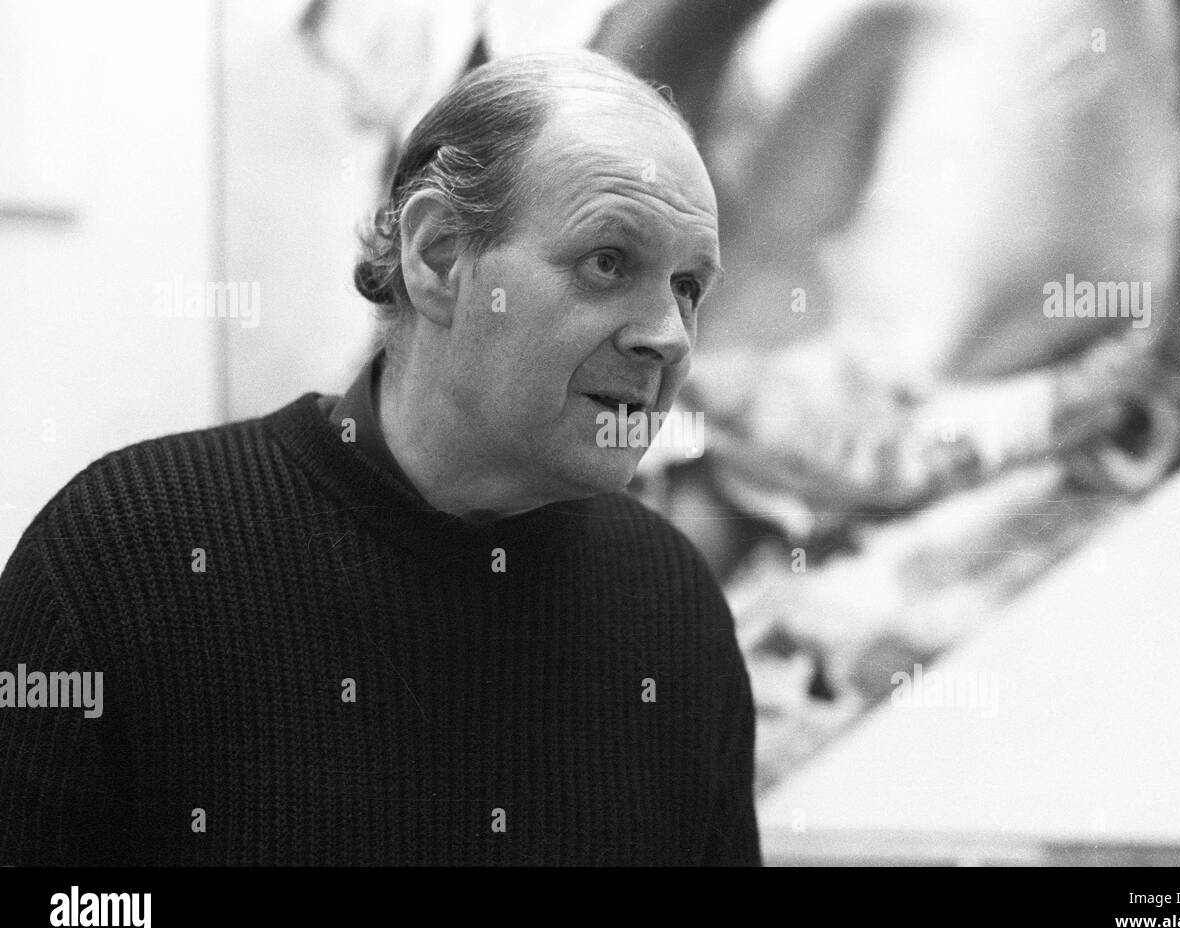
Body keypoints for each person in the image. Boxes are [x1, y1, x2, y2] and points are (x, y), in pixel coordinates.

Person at [0, 50, 759, 866]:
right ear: (437, 258)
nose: (669, 337)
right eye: (609, 261)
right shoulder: (124, 559)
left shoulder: (674, 608)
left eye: (688, 286)